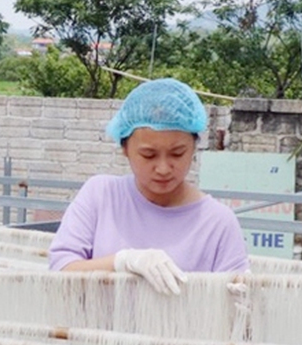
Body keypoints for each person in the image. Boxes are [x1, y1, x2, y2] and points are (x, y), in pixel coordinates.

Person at [48, 78, 249, 295]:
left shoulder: (217, 223)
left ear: (194, 147)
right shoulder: (101, 195)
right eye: (148, 155)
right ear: (125, 148)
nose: (163, 168)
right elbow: (61, 270)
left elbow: (235, 300)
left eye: (177, 153)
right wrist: (122, 262)